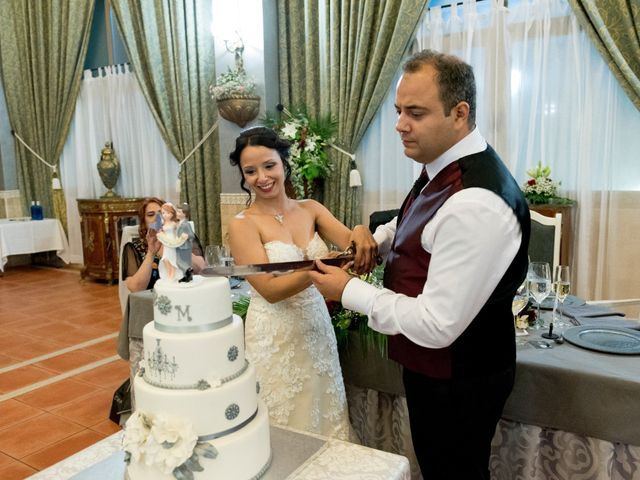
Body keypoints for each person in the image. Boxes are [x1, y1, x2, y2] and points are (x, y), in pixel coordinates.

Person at [310, 50, 530, 479]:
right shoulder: (444, 165)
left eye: (415, 112)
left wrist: (348, 291)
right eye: (398, 111)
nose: (399, 125)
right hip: (438, 370)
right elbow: (412, 217)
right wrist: (376, 240)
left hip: (461, 378)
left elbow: (437, 323)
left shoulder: (475, 202)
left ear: (459, 113)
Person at [227, 126, 377, 440]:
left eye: (269, 166)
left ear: (284, 164)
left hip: (315, 327)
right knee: (283, 414)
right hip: (273, 332)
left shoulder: (311, 209)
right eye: (250, 171)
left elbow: (352, 243)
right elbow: (269, 290)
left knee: (324, 408)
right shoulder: (243, 224)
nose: (262, 177)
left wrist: (362, 229)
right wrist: (317, 268)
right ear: (243, 176)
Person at [122, 198, 204, 292]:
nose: (157, 218)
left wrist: (176, 246)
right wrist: (151, 253)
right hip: (153, 301)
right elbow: (135, 288)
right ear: (144, 221)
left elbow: (201, 268)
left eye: (161, 213)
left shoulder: (183, 238)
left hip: (185, 293)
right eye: (150, 215)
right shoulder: (134, 247)